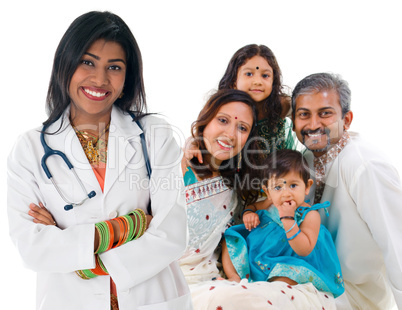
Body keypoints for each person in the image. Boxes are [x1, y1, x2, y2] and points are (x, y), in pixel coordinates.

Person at [7, 11, 192, 310]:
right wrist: (129, 226)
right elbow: (33, 248)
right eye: (87, 62)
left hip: (152, 299)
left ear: (126, 76)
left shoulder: (154, 134)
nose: (100, 78)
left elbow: (172, 233)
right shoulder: (29, 149)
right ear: (65, 63)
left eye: (114, 67)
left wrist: (77, 253)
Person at [179, 92, 336, 308]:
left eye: (242, 128)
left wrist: (293, 108)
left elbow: (293, 169)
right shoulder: (176, 163)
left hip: (211, 277)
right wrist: (191, 141)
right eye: (223, 120)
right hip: (169, 278)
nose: (231, 134)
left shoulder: (237, 186)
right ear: (205, 120)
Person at [291, 72, 402, 309]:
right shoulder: (305, 159)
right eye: (304, 115)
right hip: (314, 281)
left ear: (347, 119)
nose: (313, 125)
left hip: (356, 297)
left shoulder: (366, 166)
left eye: (325, 113)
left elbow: (398, 246)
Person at [221, 149, 344, 299]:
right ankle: (234, 276)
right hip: (261, 253)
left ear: (307, 186)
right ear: (268, 191)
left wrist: (288, 219)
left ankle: (270, 293)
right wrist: (248, 214)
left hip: (291, 261)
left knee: (285, 280)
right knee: (231, 239)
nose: (286, 193)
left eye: (293, 185)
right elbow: (253, 206)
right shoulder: (270, 201)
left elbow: (304, 249)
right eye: (278, 187)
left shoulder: (310, 215)